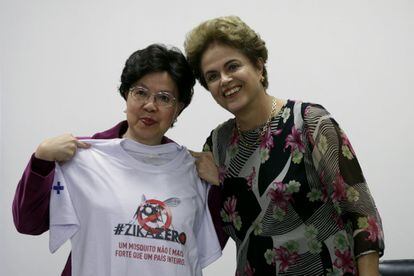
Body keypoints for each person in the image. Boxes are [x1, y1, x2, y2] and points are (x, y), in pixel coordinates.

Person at [184, 16, 384, 276]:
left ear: (258, 66)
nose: (224, 79)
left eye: (232, 66)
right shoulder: (218, 144)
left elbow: (361, 213)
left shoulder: (309, 122)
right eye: (212, 76)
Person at [12, 44, 221, 276]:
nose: (150, 105)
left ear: (178, 109)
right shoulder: (81, 158)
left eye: (164, 98)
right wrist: (41, 161)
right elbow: (27, 223)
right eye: (140, 92)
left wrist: (218, 186)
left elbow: (203, 249)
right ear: (126, 95)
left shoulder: (192, 170)